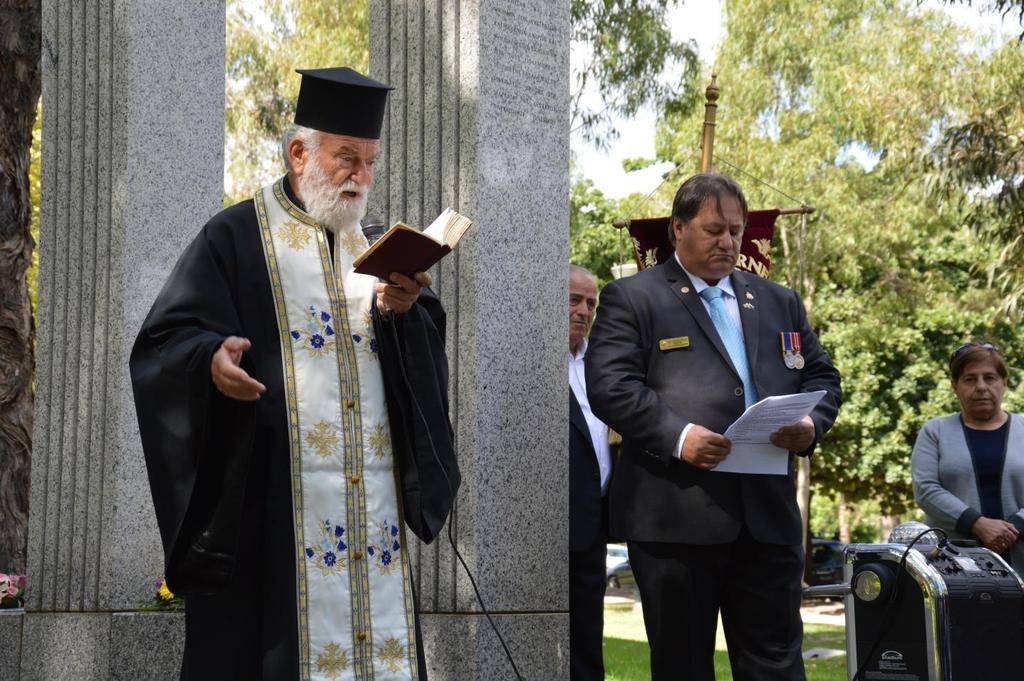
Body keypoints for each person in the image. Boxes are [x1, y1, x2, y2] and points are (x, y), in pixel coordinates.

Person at [130, 67, 460, 680]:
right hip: (271, 515)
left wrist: (403, 313)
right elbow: (165, 341)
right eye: (346, 159)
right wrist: (211, 361)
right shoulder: (234, 237)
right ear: (300, 152)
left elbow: (418, 358)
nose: (359, 177)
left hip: (371, 515)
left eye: (368, 161)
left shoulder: (377, 245)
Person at [585, 173, 842, 681]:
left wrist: (811, 424)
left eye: (736, 231)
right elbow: (610, 386)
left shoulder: (778, 301)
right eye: (714, 230)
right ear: (677, 229)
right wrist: (680, 438)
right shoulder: (633, 297)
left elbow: (822, 375)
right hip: (675, 517)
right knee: (683, 666)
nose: (728, 242)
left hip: (766, 519)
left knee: (777, 664)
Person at [912, 341, 1024, 573]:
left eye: (990, 377)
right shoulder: (935, 431)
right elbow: (925, 488)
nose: (981, 387)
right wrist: (977, 524)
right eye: (970, 379)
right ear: (955, 386)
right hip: (952, 565)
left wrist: (1011, 529)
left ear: (1004, 382)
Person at [569, 264, 611, 680]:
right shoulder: (538, 363)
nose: (583, 311)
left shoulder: (599, 364)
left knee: (587, 644)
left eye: (591, 303)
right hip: (549, 524)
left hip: (595, 522)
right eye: (573, 299)